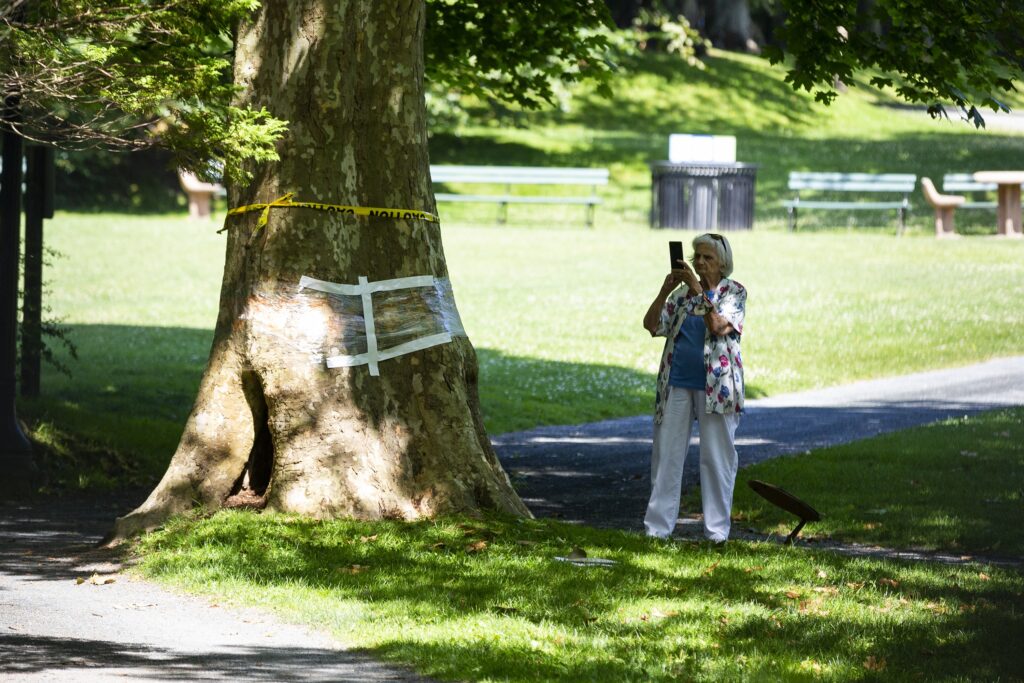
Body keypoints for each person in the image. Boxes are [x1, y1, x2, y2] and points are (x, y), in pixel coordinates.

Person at [642, 233, 746, 542]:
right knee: (666, 457)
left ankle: (716, 534)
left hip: (718, 389)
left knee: (716, 459)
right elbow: (651, 325)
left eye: (707, 258)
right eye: (695, 257)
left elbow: (717, 326)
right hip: (676, 383)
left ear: (722, 263)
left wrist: (699, 290)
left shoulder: (733, 292)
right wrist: (665, 289)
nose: (699, 262)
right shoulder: (681, 297)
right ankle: (657, 530)